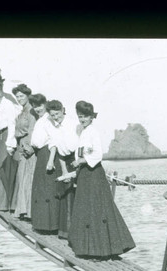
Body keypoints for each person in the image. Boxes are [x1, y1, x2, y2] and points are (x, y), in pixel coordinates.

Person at [68, 101, 136, 259]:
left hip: (93, 174)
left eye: (85, 116)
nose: (82, 119)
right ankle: (88, 247)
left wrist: (81, 161)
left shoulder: (93, 132)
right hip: (85, 174)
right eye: (80, 116)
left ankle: (101, 248)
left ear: (92, 117)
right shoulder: (83, 132)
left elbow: (97, 155)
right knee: (87, 210)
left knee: (97, 210)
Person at [44, 100, 79, 239]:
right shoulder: (54, 127)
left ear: (63, 110)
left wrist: (75, 168)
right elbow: (59, 150)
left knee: (77, 195)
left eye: (57, 114)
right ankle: (67, 232)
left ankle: (77, 231)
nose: (56, 117)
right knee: (66, 195)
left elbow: (78, 146)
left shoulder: (73, 124)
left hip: (76, 160)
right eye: (53, 115)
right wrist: (64, 171)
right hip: (65, 161)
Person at [30, 94, 61, 233]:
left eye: (40, 105)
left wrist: (50, 160)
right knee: (42, 188)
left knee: (48, 188)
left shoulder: (48, 119)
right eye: (34, 106)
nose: (37, 108)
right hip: (41, 153)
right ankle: (43, 224)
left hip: (47, 154)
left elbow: (53, 140)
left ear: (45, 104)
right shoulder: (41, 120)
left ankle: (50, 225)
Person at [0, 79, 21, 210]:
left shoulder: (7, 104)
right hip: (1, 136)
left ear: (2, 91)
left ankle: (9, 203)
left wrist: (10, 144)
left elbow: (12, 124)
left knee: (5, 168)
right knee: (1, 168)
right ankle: (3, 203)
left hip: (8, 136)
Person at [11, 84, 37, 220]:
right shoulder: (22, 112)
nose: (19, 98)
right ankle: (22, 210)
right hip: (21, 146)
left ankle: (28, 211)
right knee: (22, 178)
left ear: (28, 96)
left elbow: (32, 130)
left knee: (28, 178)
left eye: (21, 96)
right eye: (17, 96)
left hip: (28, 148)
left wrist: (30, 148)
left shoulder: (31, 112)